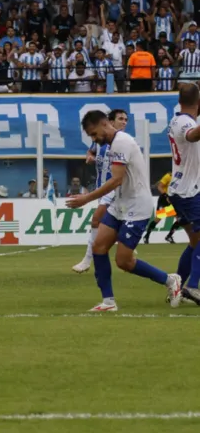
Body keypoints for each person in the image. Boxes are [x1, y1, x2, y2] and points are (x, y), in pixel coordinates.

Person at [67, 110, 181, 312]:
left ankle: (170, 280)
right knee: (99, 247)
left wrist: (86, 198)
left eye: (94, 134)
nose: (94, 139)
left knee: (123, 261)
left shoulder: (121, 142)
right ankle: (108, 302)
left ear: (104, 125)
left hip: (137, 208)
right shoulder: (112, 144)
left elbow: (116, 179)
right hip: (120, 205)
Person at [72, 109, 128, 274]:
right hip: (100, 187)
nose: (124, 122)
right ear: (109, 122)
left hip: (114, 188)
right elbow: (91, 150)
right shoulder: (101, 140)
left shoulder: (122, 143)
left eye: (126, 119)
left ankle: (87, 260)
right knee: (113, 224)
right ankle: (125, 247)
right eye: (120, 119)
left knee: (96, 220)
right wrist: (90, 156)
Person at [166, 83, 200, 304]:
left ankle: (177, 288)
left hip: (179, 190)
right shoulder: (185, 123)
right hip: (189, 192)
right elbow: (192, 136)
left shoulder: (176, 119)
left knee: (195, 242)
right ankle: (193, 287)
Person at [143, 172, 182, 244]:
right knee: (159, 218)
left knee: (180, 219)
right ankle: (146, 236)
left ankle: (169, 236)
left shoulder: (181, 177)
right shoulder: (168, 175)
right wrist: (166, 195)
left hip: (173, 200)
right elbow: (159, 186)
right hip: (164, 200)